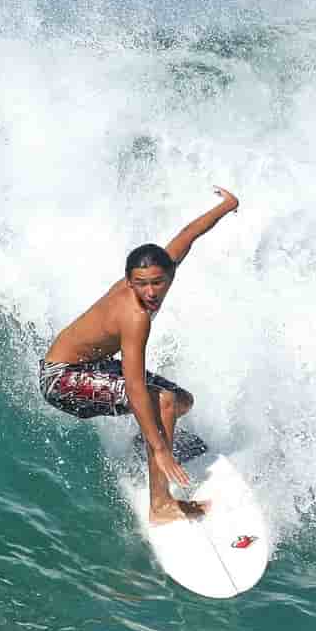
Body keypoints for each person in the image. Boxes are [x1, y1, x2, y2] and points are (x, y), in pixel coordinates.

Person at [38, 186, 242, 524]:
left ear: (169, 274)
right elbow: (134, 389)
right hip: (61, 379)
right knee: (161, 402)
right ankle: (160, 505)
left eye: (157, 283)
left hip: (91, 366)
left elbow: (188, 235)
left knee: (181, 400)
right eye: (141, 284)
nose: (150, 292)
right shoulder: (134, 317)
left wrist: (228, 206)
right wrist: (162, 449)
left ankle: (145, 447)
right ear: (130, 282)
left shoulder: (160, 271)